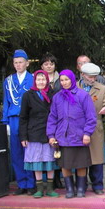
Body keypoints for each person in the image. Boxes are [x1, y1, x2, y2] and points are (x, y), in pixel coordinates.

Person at [47, 70, 97, 198]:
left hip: (79, 136)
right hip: (63, 137)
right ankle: (69, 189)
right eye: (62, 80)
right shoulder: (57, 97)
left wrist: (87, 133)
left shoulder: (83, 95)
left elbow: (91, 117)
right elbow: (52, 118)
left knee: (81, 164)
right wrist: (51, 135)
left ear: (72, 80)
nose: (64, 83)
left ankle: (80, 189)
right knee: (65, 164)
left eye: (66, 80)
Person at [19, 70, 59, 198]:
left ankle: (50, 188)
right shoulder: (28, 95)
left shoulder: (53, 94)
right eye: (38, 79)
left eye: (43, 79)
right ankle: (39, 189)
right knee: (37, 162)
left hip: (50, 133)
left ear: (47, 80)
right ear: (34, 81)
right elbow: (23, 117)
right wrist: (23, 136)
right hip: (34, 133)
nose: (41, 82)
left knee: (49, 160)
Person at [1, 49, 36, 195]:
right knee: (16, 152)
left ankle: (32, 183)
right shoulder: (8, 81)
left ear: (27, 63)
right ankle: (22, 183)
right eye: (15, 63)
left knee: (30, 152)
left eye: (21, 62)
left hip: (29, 119)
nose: (18, 65)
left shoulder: (33, 79)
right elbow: (6, 102)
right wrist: (5, 122)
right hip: (14, 119)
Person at [78, 63, 105, 195]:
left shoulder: (102, 88)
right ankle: (80, 185)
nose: (92, 79)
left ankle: (97, 185)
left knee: (97, 158)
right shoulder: (74, 87)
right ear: (82, 75)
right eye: (89, 77)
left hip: (95, 126)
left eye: (94, 77)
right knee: (79, 157)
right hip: (77, 127)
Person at [39, 52, 63, 189]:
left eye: (51, 64)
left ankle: (57, 178)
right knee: (44, 149)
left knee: (57, 148)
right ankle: (46, 179)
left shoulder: (61, 79)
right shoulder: (38, 79)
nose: (49, 66)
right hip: (43, 119)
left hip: (58, 117)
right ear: (42, 66)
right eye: (46, 64)